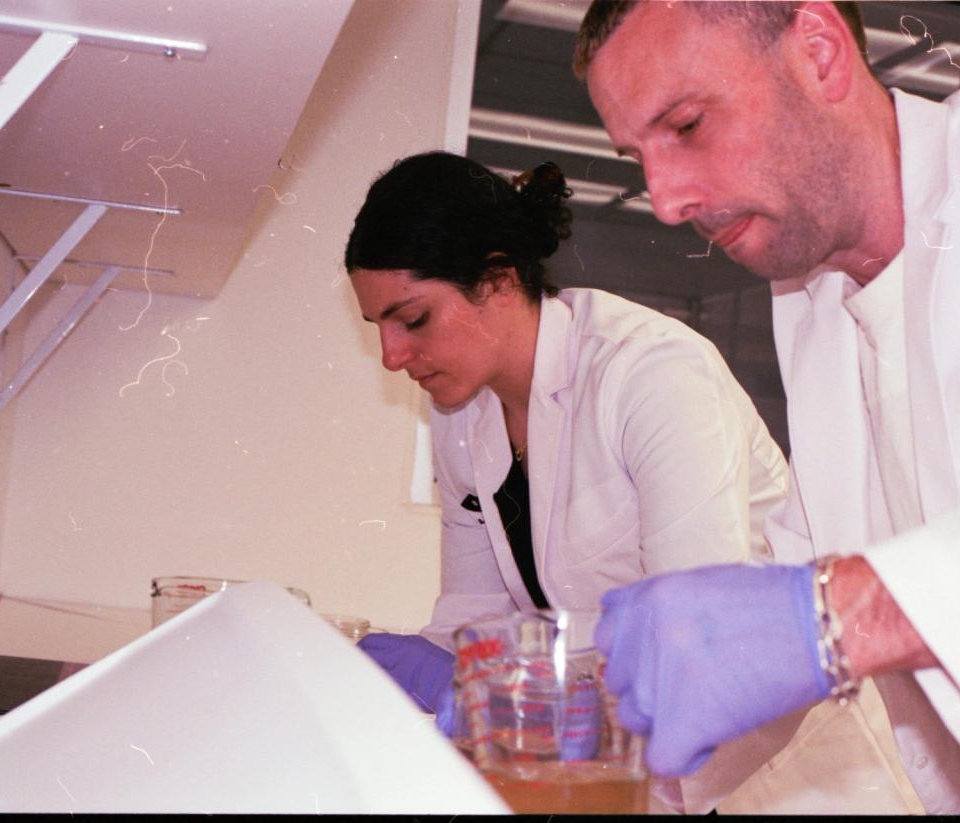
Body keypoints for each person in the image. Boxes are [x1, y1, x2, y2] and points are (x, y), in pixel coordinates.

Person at [574, 0, 960, 815]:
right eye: (638, 156)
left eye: (688, 125)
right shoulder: (816, 308)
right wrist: (590, 727)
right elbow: (801, 671)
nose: (663, 200)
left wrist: (844, 614)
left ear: (819, 50)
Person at [341, 150, 807, 813]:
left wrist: (510, 701)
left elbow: (693, 645)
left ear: (498, 279)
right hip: (619, 772)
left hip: (768, 770)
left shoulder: (651, 376)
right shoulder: (460, 411)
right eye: (378, 326)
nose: (391, 356)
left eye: (413, 319)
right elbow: (477, 620)